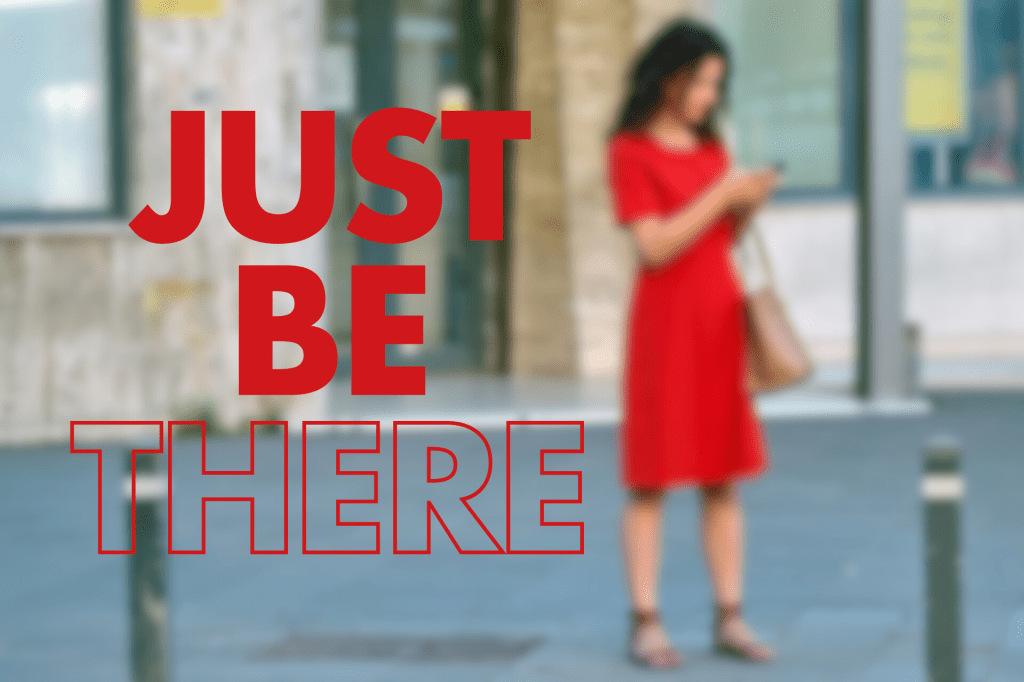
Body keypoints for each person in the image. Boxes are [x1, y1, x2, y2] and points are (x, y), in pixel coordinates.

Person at [606, 19, 781, 670]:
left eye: (717, 85)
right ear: (671, 79)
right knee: (651, 479)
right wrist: (721, 195)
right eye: (703, 82)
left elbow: (719, 237)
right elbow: (653, 246)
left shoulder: (711, 149)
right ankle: (646, 620)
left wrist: (747, 202)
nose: (711, 96)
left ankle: (729, 614)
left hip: (719, 321)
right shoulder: (629, 150)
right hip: (663, 328)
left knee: (721, 478)